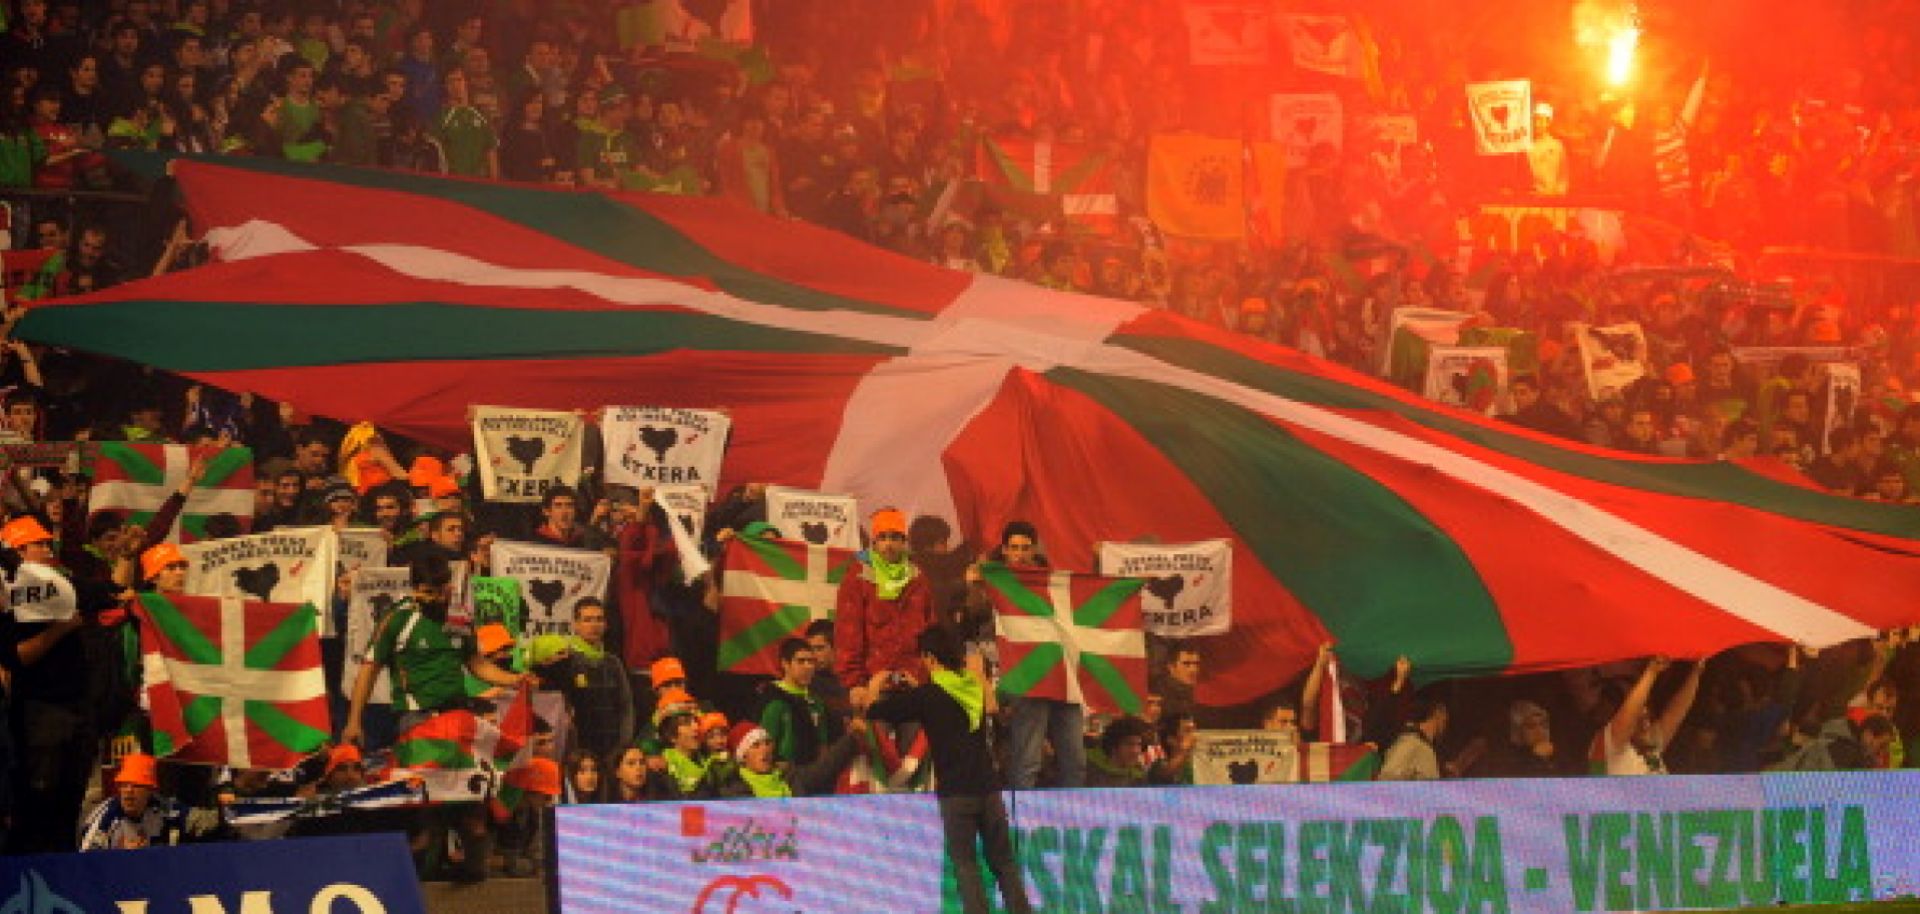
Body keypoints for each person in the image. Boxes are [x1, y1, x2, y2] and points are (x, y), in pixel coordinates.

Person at [862, 626, 1032, 914]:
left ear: (929, 657)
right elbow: (989, 707)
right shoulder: (973, 687)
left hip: (956, 794)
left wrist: (875, 686)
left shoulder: (927, 696)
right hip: (989, 789)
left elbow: (876, 712)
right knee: (1004, 862)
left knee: (966, 865)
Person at [836, 508, 932, 709]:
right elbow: (848, 635)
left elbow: (931, 632)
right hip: (873, 686)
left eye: (895, 537)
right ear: (874, 542)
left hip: (914, 684)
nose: (889, 544)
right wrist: (855, 684)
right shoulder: (858, 578)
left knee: (917, 741)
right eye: (883, 537)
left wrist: (928, 678)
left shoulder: (918, 578)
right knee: (876, 741)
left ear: (904, 542)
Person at [527, 597, 634, 762]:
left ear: (606, 625)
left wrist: (623, 745)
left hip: (613, 751)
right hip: (576, 752)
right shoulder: (563, 660)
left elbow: (626, 706)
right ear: (575, 625)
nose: (594, 625)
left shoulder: (614, 663)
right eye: (587, 620)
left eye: (599, 619)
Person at [1589, 656, 1706, 776]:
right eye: (1639, 718)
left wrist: (1696, 671)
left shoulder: (1648, 745)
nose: (1646, 723)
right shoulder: (1606, 745)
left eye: (1647, 716)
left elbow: (1674, 715)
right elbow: (1625, 720)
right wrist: (1652, 671)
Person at [77, 753, 181, 850]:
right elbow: (87, 860)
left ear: (149, 790)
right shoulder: (107, 816)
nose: (128, 790)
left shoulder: (161, 806)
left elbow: (193, 818)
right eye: (124, 785)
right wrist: (120, 854)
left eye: (136, 785)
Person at [1377, 696, 1448, 780]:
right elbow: (1387, 777)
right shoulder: (1412, 742)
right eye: (1445, 720)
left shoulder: (1419, 745)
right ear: (1437, 714)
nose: (1445, 726)